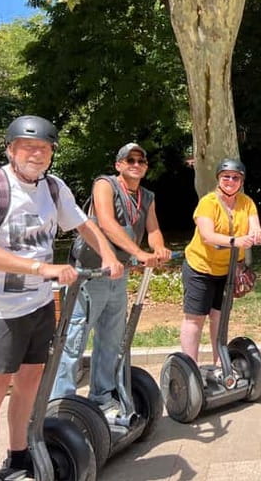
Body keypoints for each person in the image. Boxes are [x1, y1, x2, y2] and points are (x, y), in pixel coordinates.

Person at [0, 115, 123, 475]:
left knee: (29, 384)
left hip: (37, 306)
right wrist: (42, 269)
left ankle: (19, 455)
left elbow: (84, 224)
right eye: (28, 147)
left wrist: (109, 254)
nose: (37, 154)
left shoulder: (53, 187)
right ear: (11, 149)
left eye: (44, 148)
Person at [52, 142, 172, 408]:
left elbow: (153, 229)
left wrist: (159, 248)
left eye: (141, 161)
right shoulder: (104, 185)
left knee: (111, 341)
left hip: (119, 276)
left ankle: (102, 397)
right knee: (73, 341)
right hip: (90, 274)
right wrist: (138, 253)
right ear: (119, 165)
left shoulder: (147, 196)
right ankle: (60, 405)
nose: (136, 165)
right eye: (130, 160)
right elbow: (106, 223)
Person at [180, 158, 261, 366]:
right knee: (195, 318)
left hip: (227, 270)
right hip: (201, 267)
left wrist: (258, 234)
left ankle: (221, 365)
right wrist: (235, 241)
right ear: (219, 179)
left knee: (219, 317)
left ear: (241, 181)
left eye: (236, 178)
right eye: (226, 177)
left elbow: (255, 226)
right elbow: (207, 235)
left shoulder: (246, 202)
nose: (231, 181)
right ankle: (190, 368)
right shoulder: (208, 203)